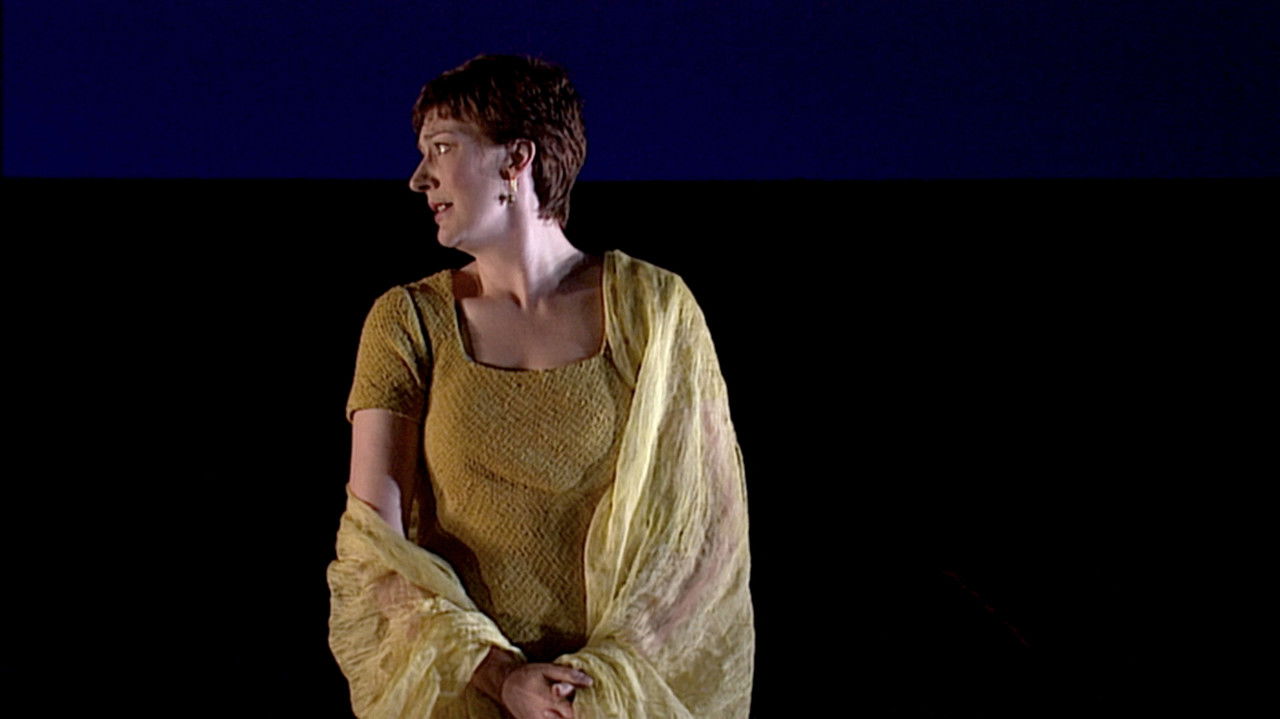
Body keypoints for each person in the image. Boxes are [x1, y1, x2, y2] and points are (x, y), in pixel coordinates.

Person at [327, 54, 754, 719]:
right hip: (462, 697)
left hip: (607, 703)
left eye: (443, 147)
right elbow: (372, 546)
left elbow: (707, 542)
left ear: (516, 158)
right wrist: (504, 678)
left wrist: (584, 687)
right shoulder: (408, 320)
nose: (419, 177)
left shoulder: (654, 310)